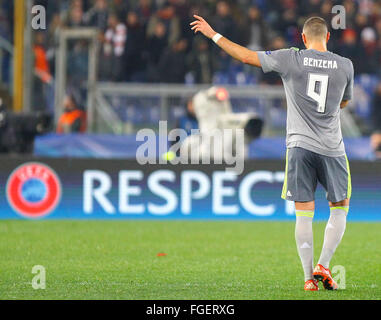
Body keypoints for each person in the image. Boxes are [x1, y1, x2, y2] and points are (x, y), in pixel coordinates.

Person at [191, 15, 354, 291]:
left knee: (304, 212)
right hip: (332, 148)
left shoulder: (291, 58)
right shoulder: (345, 65)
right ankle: (323, 266)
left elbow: (245, 57)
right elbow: (344, 102)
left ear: (303, 38)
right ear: (328, 37)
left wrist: (213, 34)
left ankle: (307, 280)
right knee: (339, 208)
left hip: (299, 146)